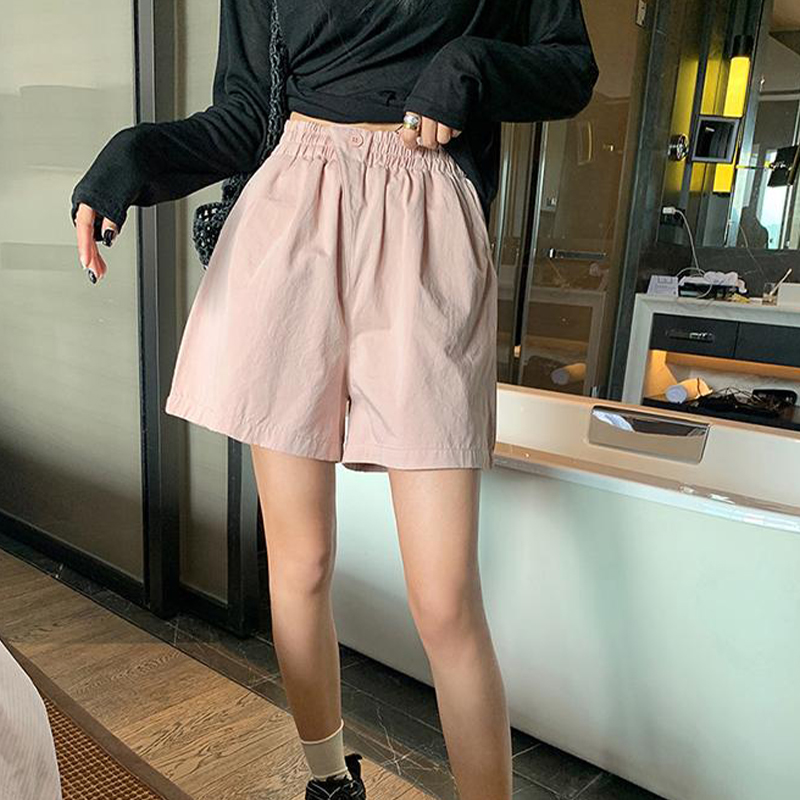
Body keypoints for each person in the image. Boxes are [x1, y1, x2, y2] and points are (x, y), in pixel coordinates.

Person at [70, 2, 598, 798]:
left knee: (445, 598)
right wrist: (134, 155)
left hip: (426, 216)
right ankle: (330, 782)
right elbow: (246, 111)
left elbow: (569, 64)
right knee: (301, 561)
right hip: (292, 216)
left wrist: (470, 66)